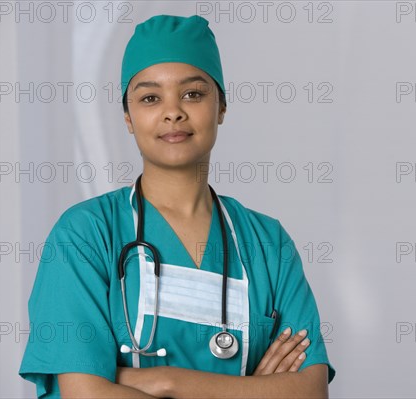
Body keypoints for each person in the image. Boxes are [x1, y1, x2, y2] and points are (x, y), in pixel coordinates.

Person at [19, 14, 335, 398]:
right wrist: (250, 390)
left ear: (221, 106)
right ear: (128, 117)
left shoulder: (268, 243)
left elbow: (309, 391)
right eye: (151, 97)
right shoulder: (85, 234)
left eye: (193, 94)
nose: (174, 112)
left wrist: (165, 382)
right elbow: (84, 394)